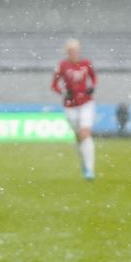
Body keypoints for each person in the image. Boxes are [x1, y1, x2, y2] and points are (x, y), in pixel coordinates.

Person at [52, 39, 98, 180]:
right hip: (70, 106)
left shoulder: (86, 64)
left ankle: (90, 170)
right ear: (67, 52)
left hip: (86, 103)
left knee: (85, 133)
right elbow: (54, 85)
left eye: (76, 50)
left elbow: (94, 78)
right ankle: (84, 164)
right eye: (71, 51)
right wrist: (64, 93)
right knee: (79, 137)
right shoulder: (62, 66)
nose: (74, 53)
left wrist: (92, 87)